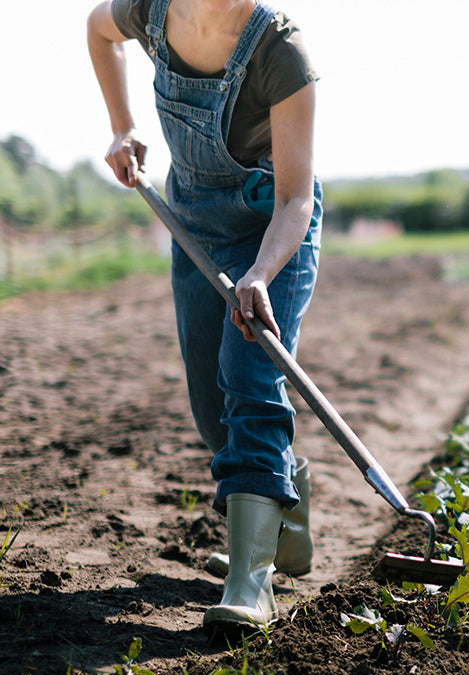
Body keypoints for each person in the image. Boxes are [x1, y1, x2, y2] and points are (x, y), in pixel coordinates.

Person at [87, 0, 320, 636]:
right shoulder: (153, 11)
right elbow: (97, 28)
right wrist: (121, 126)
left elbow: (298, 198)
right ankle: (283, 513)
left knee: (249, 382)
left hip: (269, 231)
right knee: (209, 404)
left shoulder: (281, 51)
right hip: (193, 224)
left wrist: (259, 276)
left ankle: (251, 580)